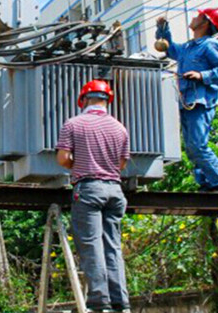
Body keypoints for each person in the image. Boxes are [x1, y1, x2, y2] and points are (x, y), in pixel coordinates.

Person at [56, 79, 131, 313]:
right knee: (113, 246)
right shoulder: (120, 127)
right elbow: (122, 163)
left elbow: (63, 159)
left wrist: (80, 165)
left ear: (83, 99)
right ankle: (120, 301)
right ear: (108, 99)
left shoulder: (73, 124)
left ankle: (99, 302)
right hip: (115, 191)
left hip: (89, 189)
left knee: (91, 245)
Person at [155, 8, 218, 192]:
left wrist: (202, 75)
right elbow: (170, 49)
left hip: (200, 101)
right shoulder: (189, 47)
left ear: (205, 22)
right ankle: (207, 183)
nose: (193, 17)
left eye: (198, 16)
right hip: (187, 101)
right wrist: (162, 29)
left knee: (197, 144)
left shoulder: (210, 45)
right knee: (192, 146)